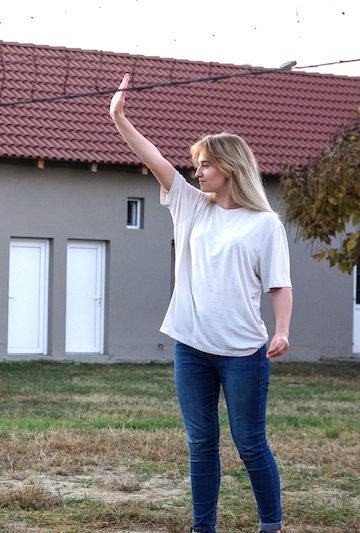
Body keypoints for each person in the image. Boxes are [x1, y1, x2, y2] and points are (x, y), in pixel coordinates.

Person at [109, 73, 292, 533]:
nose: (197, 171)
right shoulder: (191, 206)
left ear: (229, 167)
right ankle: (202, 528)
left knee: (249, 443)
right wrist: (119, 118)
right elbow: (153, 159)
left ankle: (271, 525)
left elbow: (280, 285)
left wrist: (282, 330)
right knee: (201, 444)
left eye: (205, 164)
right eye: (196, 164)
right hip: (191, 348)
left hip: (244, 352)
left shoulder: (265, 224)